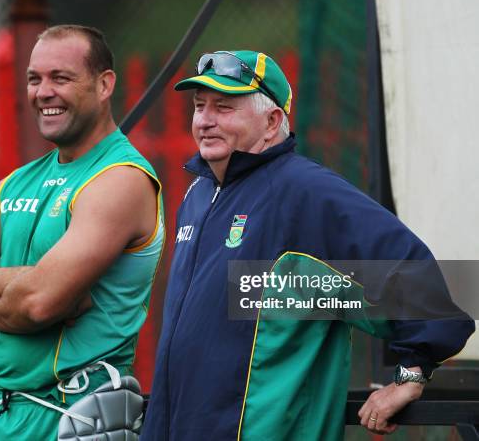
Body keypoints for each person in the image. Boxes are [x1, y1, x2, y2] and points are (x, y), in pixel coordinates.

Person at [141, 50, 474, 440]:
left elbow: (419, 283)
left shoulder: (304, 191)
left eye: (224, 107)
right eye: (200, 106)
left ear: (271, 121)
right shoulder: (199, 192)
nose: (205, 120)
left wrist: (410, 373)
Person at [0, 24, 164, 440]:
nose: (43, 92)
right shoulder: (16, 183)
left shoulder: (120, 179)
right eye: (34, 79)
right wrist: (27, 279)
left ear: (105, 84)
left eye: (61, 78)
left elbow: (38, 304)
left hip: (73, 419)